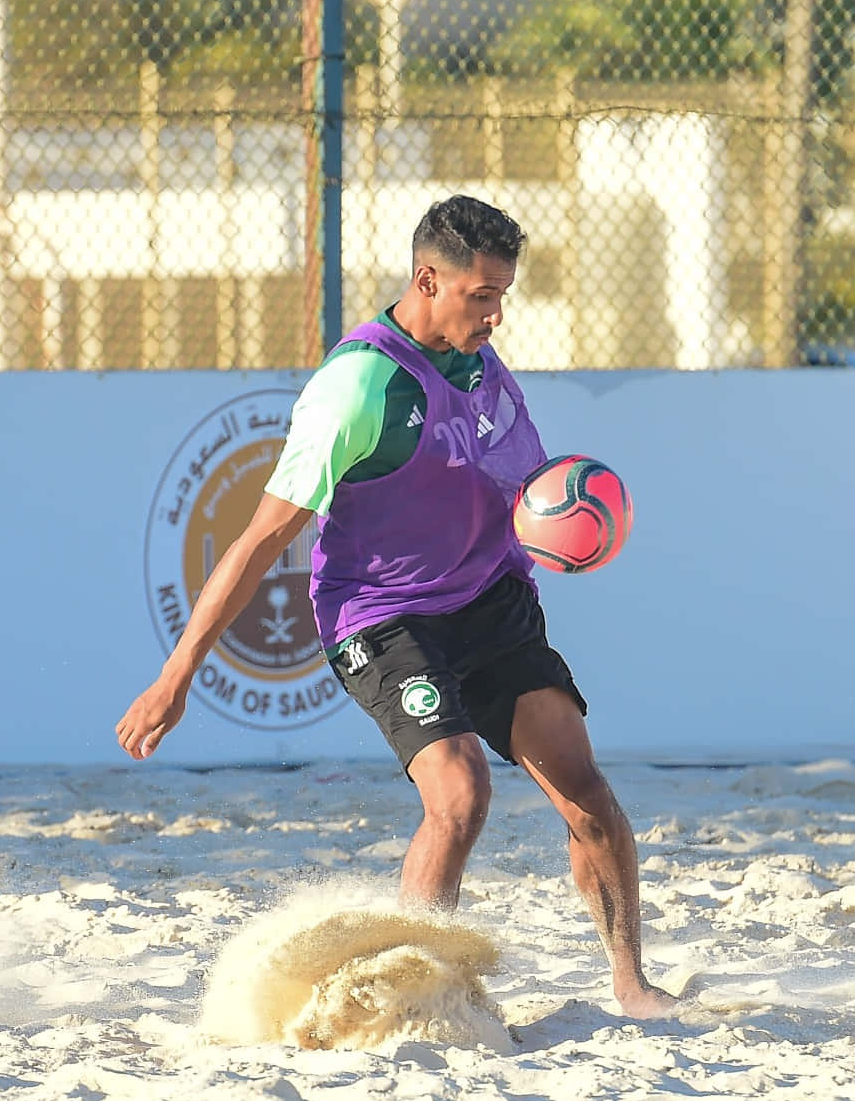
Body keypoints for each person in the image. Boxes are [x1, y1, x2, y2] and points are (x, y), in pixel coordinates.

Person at [115, 195, 675, 1019]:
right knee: (459, 794)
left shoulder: (482, 363)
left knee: (586, 794)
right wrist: (177, 673)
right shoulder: (358, 388)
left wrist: (572, 511)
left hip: (490, 597)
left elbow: (525, 488)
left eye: (503, 296)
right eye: (481, 295)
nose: (495, 314)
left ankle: (631, 982)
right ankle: (411, 990)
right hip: (382, 617)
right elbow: (264, 537)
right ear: (427, 279)